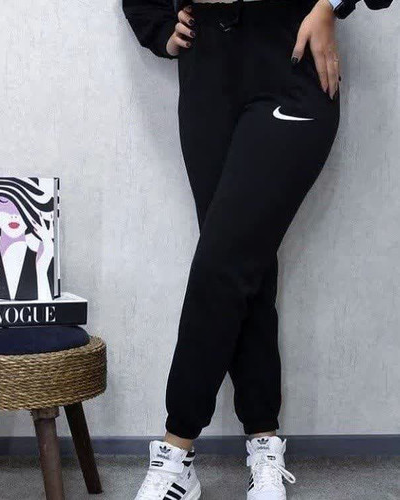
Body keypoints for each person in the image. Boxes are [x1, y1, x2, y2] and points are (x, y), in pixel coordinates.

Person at [122, 0, 393, 498]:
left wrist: (329, 5)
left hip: (290, 55)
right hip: (208, 71)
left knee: (223, 265)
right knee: (244, 266)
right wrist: (157, 27)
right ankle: (264, 441)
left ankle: (175, 449)